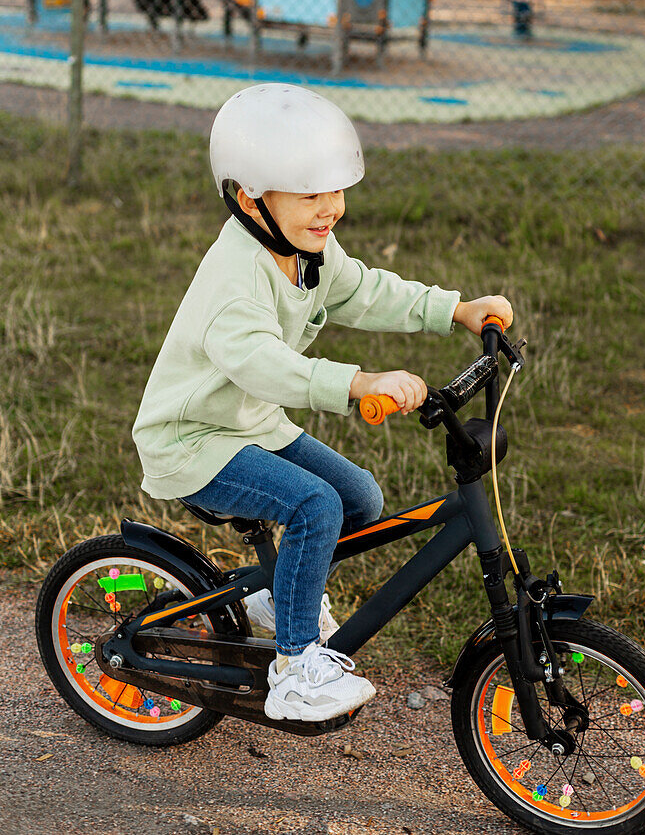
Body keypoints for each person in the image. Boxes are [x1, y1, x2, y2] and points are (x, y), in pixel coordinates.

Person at [132, 83, 512, 723]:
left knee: (361, 498)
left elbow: (364, 292)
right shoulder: (235, 280)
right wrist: (357, 383)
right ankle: (294, 669)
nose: (330, 208)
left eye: (335, 191)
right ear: (251, 197)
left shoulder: (304, 249)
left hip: (250, 425)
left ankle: (281, 602)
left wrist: (456, 310)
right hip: (193, 441)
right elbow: (268, 366)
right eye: (310, 194)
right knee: (316, 503)